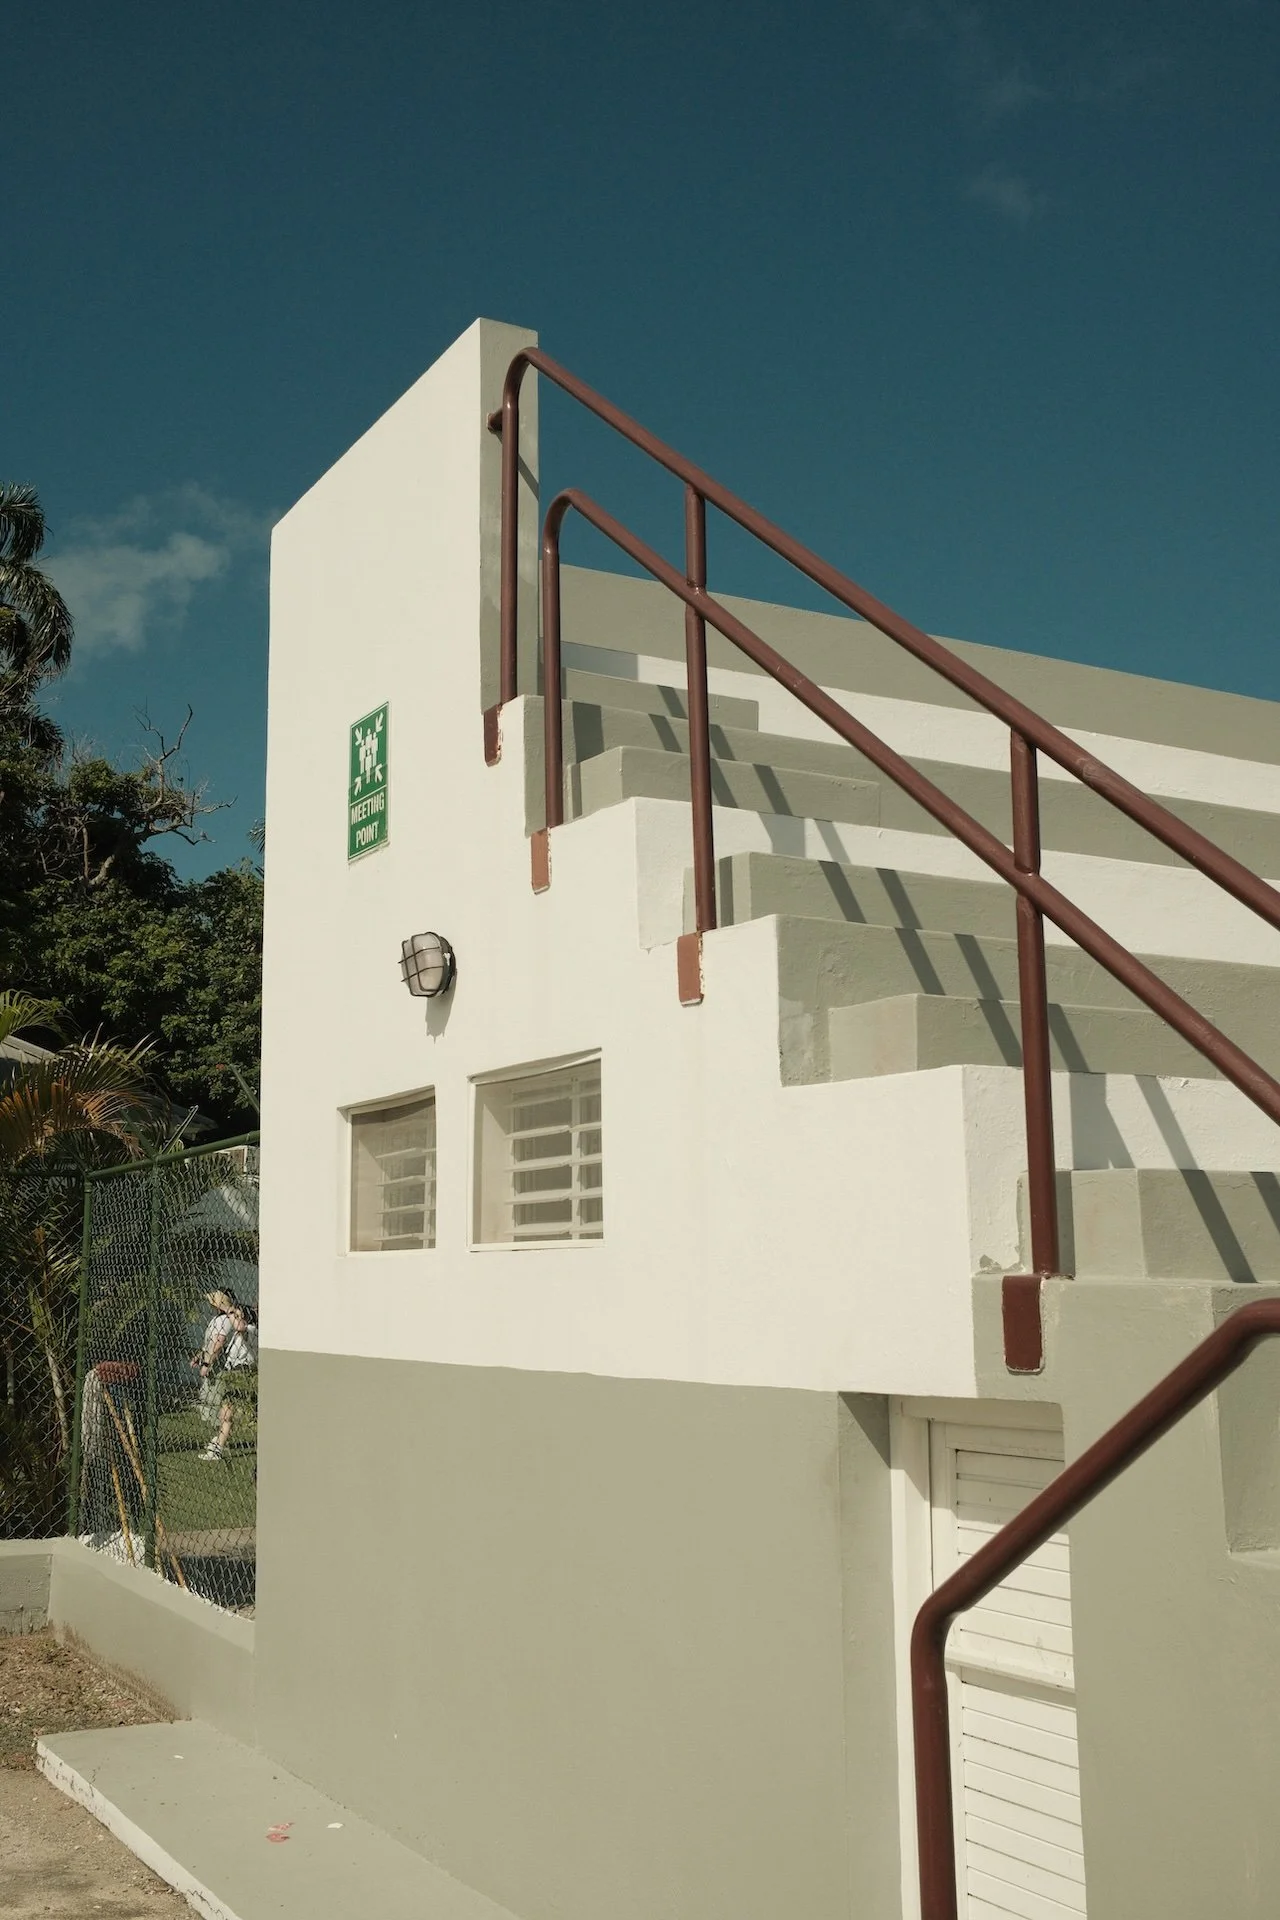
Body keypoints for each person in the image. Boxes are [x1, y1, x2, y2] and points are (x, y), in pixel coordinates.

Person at [200, 1299, 259, 1464]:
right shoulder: (242, 1334)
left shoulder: (250, 1330)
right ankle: (218, 1443)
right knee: (226, 1414)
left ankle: (218, 1446)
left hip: (242, 1374)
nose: (234, 1318)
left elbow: (240, 1326)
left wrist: (229, 1311)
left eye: (239, 1315)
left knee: (228, 1415)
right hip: (235, 1373)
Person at [191, 1292, 236, 1427]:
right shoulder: (217, 1319)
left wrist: (207, 1363)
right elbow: (209, 1344)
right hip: (211, 1361)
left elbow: (218, 1343)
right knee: (207, 1400)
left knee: (214, 1402)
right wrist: (199, 1356)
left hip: (218, 1364)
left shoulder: (224, 1320)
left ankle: (220, 1437)